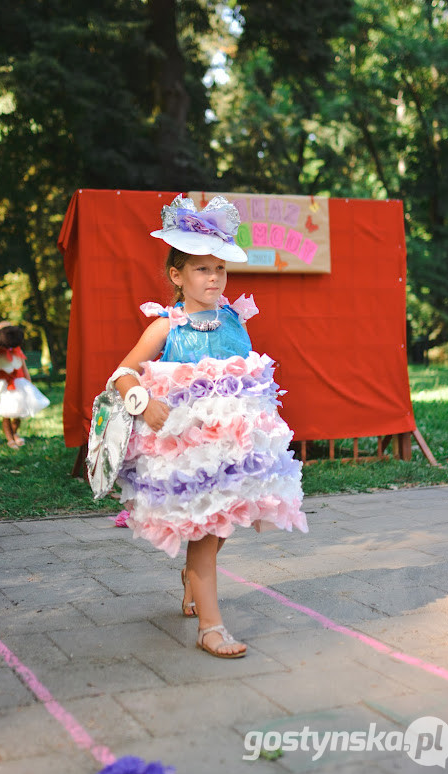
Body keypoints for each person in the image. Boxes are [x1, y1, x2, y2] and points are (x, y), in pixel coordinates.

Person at [111, 194, 308, 659]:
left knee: (219, 528)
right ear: (177, 277)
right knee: (203, 533)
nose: (214, 278)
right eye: (202, 269)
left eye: (220, 269)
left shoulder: (236, 317)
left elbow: (239, 378)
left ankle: (192, 583)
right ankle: (212, 627)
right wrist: (143, 404)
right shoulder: (166, 326)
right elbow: (122, 373)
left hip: (234, 447)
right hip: (188, 447)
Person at [0, 325, 50, 447]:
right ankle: (10, 439)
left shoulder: (18, 352)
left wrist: (30, 386)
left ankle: (14, 432)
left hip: (19, 385)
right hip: (3, 386)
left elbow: (24, 369)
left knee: (18, 413)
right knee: (6, 414)